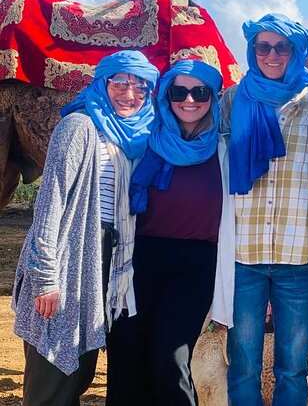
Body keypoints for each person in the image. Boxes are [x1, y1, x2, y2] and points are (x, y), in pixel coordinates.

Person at [11, 50, 159, 406]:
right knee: (53, 371)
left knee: (79, 371)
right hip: (68, 257)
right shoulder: (80, 127)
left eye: (140, 86)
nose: (130, 94)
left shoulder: (138, 137)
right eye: (120, 83)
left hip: (106, 261)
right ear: (102, 83)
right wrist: (46, 277)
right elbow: (51, 204)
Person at [105, 59, 234, 406]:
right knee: (126, 352)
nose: (189, 100)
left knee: (170, 358)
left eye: (200, 91)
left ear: (213, 96)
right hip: (139, 258)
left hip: (196, 265)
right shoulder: (142, 142)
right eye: (179, 91)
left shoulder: (224, 149)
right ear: (166, 96)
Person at [223, 13, 308, 406]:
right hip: (243, 253)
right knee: (244, 364)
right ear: (253, 51)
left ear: (296, 51)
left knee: (294, 368)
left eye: (282, 47)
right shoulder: (233, 99)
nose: (272, 54)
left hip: (297, 253)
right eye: (263, 46)